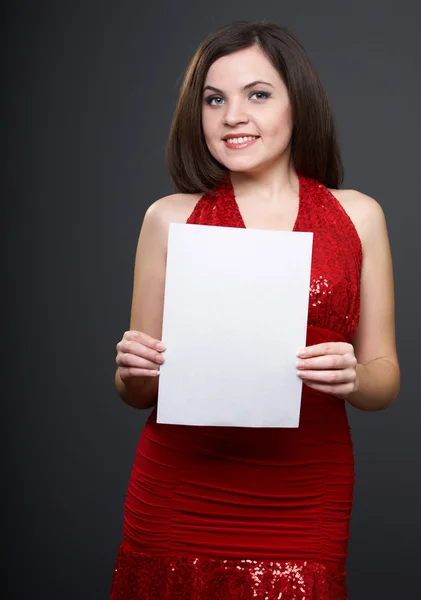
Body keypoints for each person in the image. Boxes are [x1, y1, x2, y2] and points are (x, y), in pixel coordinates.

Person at [110, 20, 400, 600]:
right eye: (214, 99)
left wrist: (353, 376)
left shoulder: (358, 215)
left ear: (299, 105)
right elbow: (136, 391)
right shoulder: (168, 217)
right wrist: (131, 368)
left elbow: (384, 377)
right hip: (180, 488)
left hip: (304, 489)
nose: (231, 116)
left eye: (257, 94)